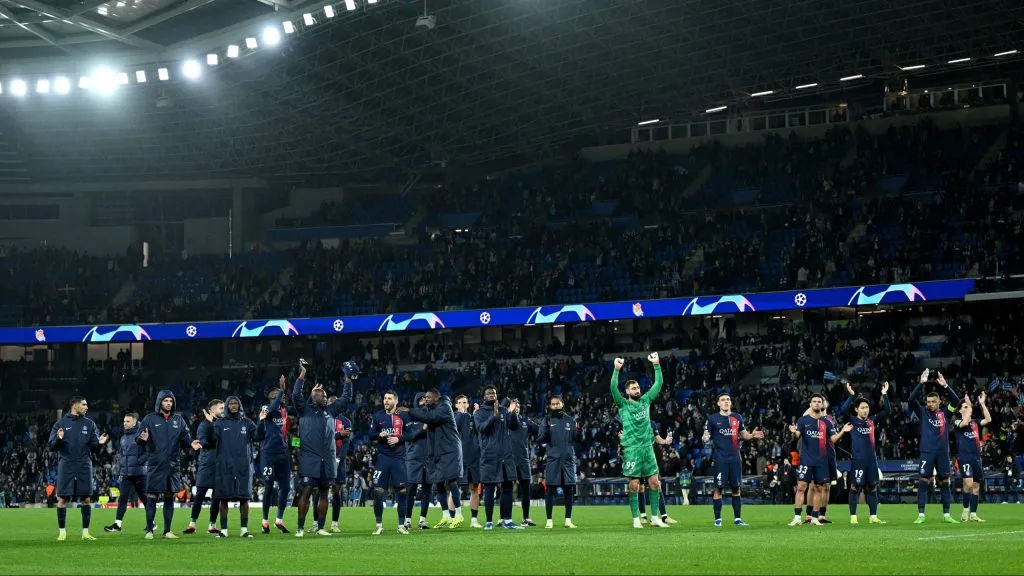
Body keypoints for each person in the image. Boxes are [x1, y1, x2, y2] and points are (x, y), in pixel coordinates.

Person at [291, 360, 352, 537]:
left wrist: (348, 379)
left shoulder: (331, 411)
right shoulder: (304, 410)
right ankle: (300, 528)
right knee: (307, 491)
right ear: (314, 397)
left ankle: (321, 527)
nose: (325, 397)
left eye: (325, 396)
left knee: (325, 493)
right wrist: (302, 375)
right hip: (310, 458)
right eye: (322, 396)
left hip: (328, 459)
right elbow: (296, 395)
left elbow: (346, 398)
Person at [610, 353, 668, 529]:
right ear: (627, 391)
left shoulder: (646, 400)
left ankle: (655, 517)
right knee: (634, 484)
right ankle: (636, 518)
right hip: (632, 448)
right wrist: (616, 370)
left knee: (654, 482)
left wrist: (656, 365)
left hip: (648, 447)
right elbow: (613, 388)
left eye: (637, 387)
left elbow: (658, 384)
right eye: (634, 388)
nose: (637, 390)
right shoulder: (623, 404)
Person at [137, 390, 200, 540]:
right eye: (165, 401)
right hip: (155, 464)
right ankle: (149, 531)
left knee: (169, 495)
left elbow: (185, 438)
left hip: (173, 465)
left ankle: (167, 531)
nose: (168, 403)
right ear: (160, 402)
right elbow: (138, 440)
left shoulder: (179, 420)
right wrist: (143, 439)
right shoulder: (149, 419)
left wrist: (191, 443)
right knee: (152, 495)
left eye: (170, 401)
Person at [48, 396, 109, 541]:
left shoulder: (90, 424)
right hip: (66, 465)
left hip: (84, 465)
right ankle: (62, 532)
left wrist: (100, 443)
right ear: (75, 405)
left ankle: (85, 533)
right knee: (62, 499)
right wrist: (59, 438)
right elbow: (52, 446)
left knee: (86, 499)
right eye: (84, 404)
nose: (87, 407)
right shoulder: (60, 423)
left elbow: (94, 448)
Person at [201, 395, 261, 537]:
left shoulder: (247, 422)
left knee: (244, 498)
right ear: (227, 406)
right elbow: (212, 440)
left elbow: (258, 436)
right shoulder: (219, 423)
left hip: (243, 466)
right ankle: (224, 530)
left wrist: (262, 421)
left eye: (236, 403)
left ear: (239, 405)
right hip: (224, 466)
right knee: (223, 498)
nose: (233, 406)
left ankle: (244, 530)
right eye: (231, 404)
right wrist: (209, 424)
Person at [702, 392, 765, 527]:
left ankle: (737, 519)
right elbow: (706, 434)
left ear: (731, 403)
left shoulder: (737, 417)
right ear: (718, 403)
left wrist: (752, 435)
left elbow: (745, 435)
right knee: (719, 489)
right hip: (720, 459)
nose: (726, 401)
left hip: (735, 458)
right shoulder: (712, 419)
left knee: (736, 489)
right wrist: (705, 437)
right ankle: (718, 519)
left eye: (728, 399)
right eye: (723, 400)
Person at [788, 393, 849, 526]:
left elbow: (833, 440)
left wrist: (843, 431)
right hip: (806, 460)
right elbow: (796, 437)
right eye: (814, 401)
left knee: (818, 488)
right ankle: (797, 517)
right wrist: (793, 432)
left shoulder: (827, 422)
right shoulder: (803, 420)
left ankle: (815, 518)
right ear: (810, 404)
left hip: (822, 460)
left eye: (819, 401)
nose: (816, 403)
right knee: (801, 487)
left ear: (822, 405)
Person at [908, 368, 960, 524]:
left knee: (945, 482)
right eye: (928, 402)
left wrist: (945, 386)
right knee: (923, 481)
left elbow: (956, 401)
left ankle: (946, 515)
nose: (930, 404)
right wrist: (921, 383)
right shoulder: (923, 412)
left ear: (939, 402)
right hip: (927, 452)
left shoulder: (946, 412)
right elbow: (911, 400)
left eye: (933, 402)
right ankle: (921, 515)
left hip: (943, 453)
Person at [410, 388, 464, 529]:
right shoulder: (432, 409)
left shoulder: (444, 407)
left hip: (450, 451)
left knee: (451, 481)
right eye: (425, 398)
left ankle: (458, 515)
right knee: (438, 483)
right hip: (438, 452)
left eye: (428, 397)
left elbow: (430, 418)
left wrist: (408, 410)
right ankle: (446, 515)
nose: (426, 400)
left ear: (436, 398)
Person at [838, 380, 890, 524]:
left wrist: (884, 395)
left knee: (872, 487)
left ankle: (873, 516)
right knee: (855, 487)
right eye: (862, 408)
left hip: (871, 460)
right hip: (858, 459)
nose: (865, 410)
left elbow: (887, 411)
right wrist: (851, 396)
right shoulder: (853, 421)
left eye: (866, 407)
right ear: (856, 409)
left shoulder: (872, 421)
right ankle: (853, 516)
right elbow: (842, 410)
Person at [475, 385, 522, 530]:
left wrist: (513, 413)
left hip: (506, 455)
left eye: (494, 393)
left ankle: (507, 520)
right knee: (489, 488)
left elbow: (514, 426)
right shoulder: (479, 413)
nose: (492, 395)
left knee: (507, 487)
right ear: (484, 396)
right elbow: (482, 428)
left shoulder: (503, 410)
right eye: (488, 393)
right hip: (489, 456)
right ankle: (489, 522)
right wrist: (493, 416)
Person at [369, 390, 413, 535]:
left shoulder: (403, 417)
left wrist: (398, 439)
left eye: (389, 398)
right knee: (378, 492)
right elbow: (370, 435)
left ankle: (401, 525)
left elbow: (411, 434)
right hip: (383, 458)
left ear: (396, 401)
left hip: (399, 459)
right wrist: (378, 434)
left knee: (402, 492)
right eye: (385, 398)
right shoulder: (377, 417)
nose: (386, 401)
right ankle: (379, 524)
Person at [537, 395, 580, 529]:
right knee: (550, 489)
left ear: (562, 404)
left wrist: (580, 430)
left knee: (569, 489)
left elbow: (577, 438)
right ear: (550, 406)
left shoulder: (571, 420)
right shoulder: (547, 420)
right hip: (553, 460)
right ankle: (549, 520)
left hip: (567, 460)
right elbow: (541, 439)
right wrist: (545, 431)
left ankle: (568, 520)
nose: (555, 406)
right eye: (553, 404)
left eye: (558, 403)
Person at [257, 376, 293, 534]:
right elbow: (273, 406)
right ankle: (265, 521)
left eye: (281, 394)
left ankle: (279, 519)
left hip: (283, 455)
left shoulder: (285, 409)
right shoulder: (266, 408)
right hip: (268, 455)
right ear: (271, 398)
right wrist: (282, 389)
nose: (280, 396)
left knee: (285, 487)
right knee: (269, 485)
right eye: (276, 395)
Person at [184, 399, 223, 535]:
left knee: (217, 497)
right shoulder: (204, 425)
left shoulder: (222, 424)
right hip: (207, 464)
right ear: (212, 410)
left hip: (220, 465)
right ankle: (192, 524)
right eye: (220, 408)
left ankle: (212, 525)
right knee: (200, 494)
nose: (223, 410)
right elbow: (204, 442)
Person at [104, 412, 146, 533]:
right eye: (124, 421)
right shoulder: (123, 436)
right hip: (126, 473)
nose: (125, 423)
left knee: (144, 499)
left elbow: (149, 451)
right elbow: (124, 455)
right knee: (123, 498)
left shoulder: (142, 433)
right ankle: (117, 524)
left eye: (128, 421)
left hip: (139, 473)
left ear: (134, 422)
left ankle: (151, 523)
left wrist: (140, 461)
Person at [954, 392, 991, 523]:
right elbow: (964, 423)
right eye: (963, 407)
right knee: (968, 484)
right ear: (959, 410)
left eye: (967, 407)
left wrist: (982, 404)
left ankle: (973, 514)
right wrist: (968, 407)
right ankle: (965, 509)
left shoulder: (975, 422)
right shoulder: (957, 422)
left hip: (976, 457)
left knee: (976, 486)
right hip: (964, 457)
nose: (966, 408)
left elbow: (988, 420)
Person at [507, 398, 540, 526]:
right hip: (508, 459)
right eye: (513, 404)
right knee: (506, 489)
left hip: (523, 460)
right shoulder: (503, 421)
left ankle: (526, 518)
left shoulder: (526, 422)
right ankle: (504, 518)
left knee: (526, 489)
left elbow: (540, 431)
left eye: (518, 404)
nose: (516, 406)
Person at [453, 395, 482, 528]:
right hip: (458, 458)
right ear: (455, 405)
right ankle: (452, 518)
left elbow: (480, 432)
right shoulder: (453, 417)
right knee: (455, 488)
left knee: (474, 488)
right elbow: (455, 429)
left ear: (468, 404)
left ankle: (474, 520)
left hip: (473, 458)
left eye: (465, 402)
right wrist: (461, 415)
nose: (462, 405)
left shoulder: (472, 418)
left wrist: (476, 416)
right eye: (459, 403)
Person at [404, 399, 432, 530]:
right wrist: (423, 428)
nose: (424, 402)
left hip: (428, 458)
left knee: (427, 490)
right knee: (410, 490)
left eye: (425, 400)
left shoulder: (431, 417)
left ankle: (422, 521)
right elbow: (408, 436)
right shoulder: (409, 418)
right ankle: (407, 520)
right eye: (421, 399)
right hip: (413, 458)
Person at [329, 396, 353, 532]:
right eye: (329, 403)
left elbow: (346, 443)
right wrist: (338, 434)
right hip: (324, 459)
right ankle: (316, 523)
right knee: (319, 491)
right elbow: (322, 439)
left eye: (333, 403)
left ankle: (334, 524)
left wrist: (339, 459)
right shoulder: (323, 419)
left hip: (339, 461)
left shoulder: (345, 421)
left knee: (335, 491)